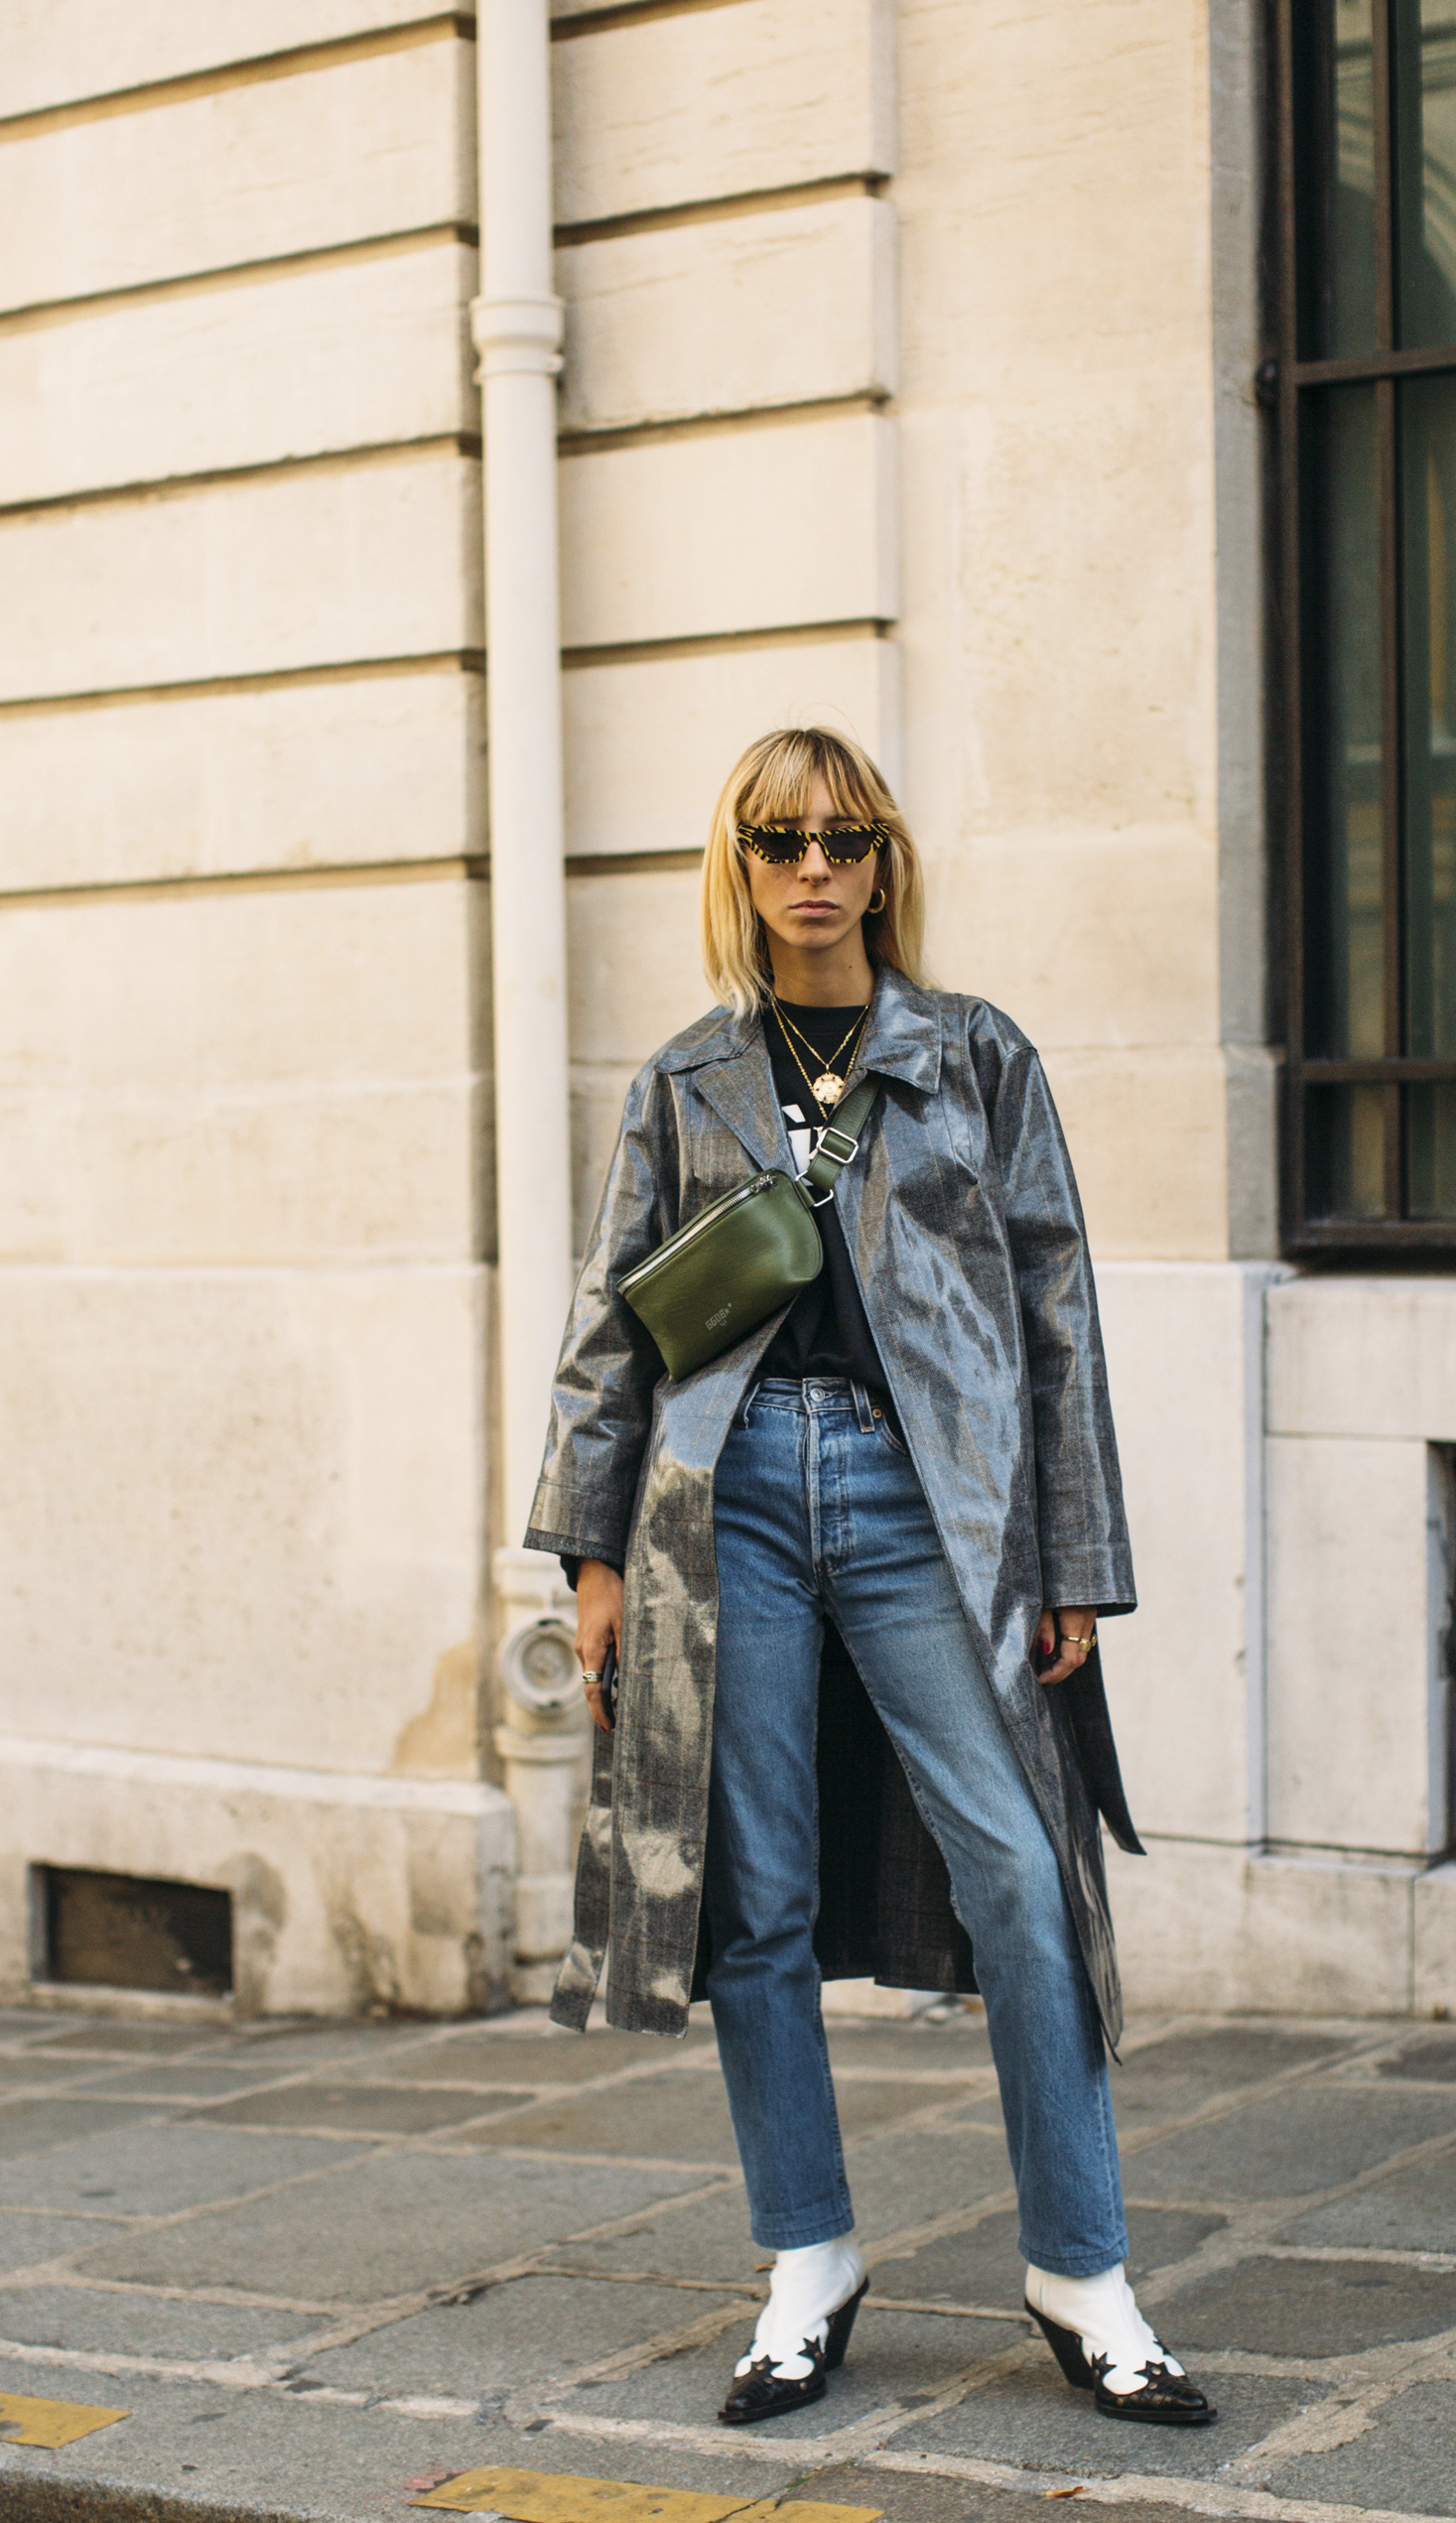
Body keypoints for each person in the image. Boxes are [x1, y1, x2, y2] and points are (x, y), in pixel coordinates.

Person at [525, 726, 1212, 2432]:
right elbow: (611, 1332)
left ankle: (1082, 2268)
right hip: (729, 1500)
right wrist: (593, 1558)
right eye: (779, 840)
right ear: (740, 866)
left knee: (1022, 1874)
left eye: (843, 838)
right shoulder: (685, 1080)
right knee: (755, 1896)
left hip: (932, 1503)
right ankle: (808, 2257)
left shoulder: (976, 1057)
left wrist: (1075, 1555)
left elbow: (1057, 1315)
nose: (813, 867)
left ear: (886, 860)